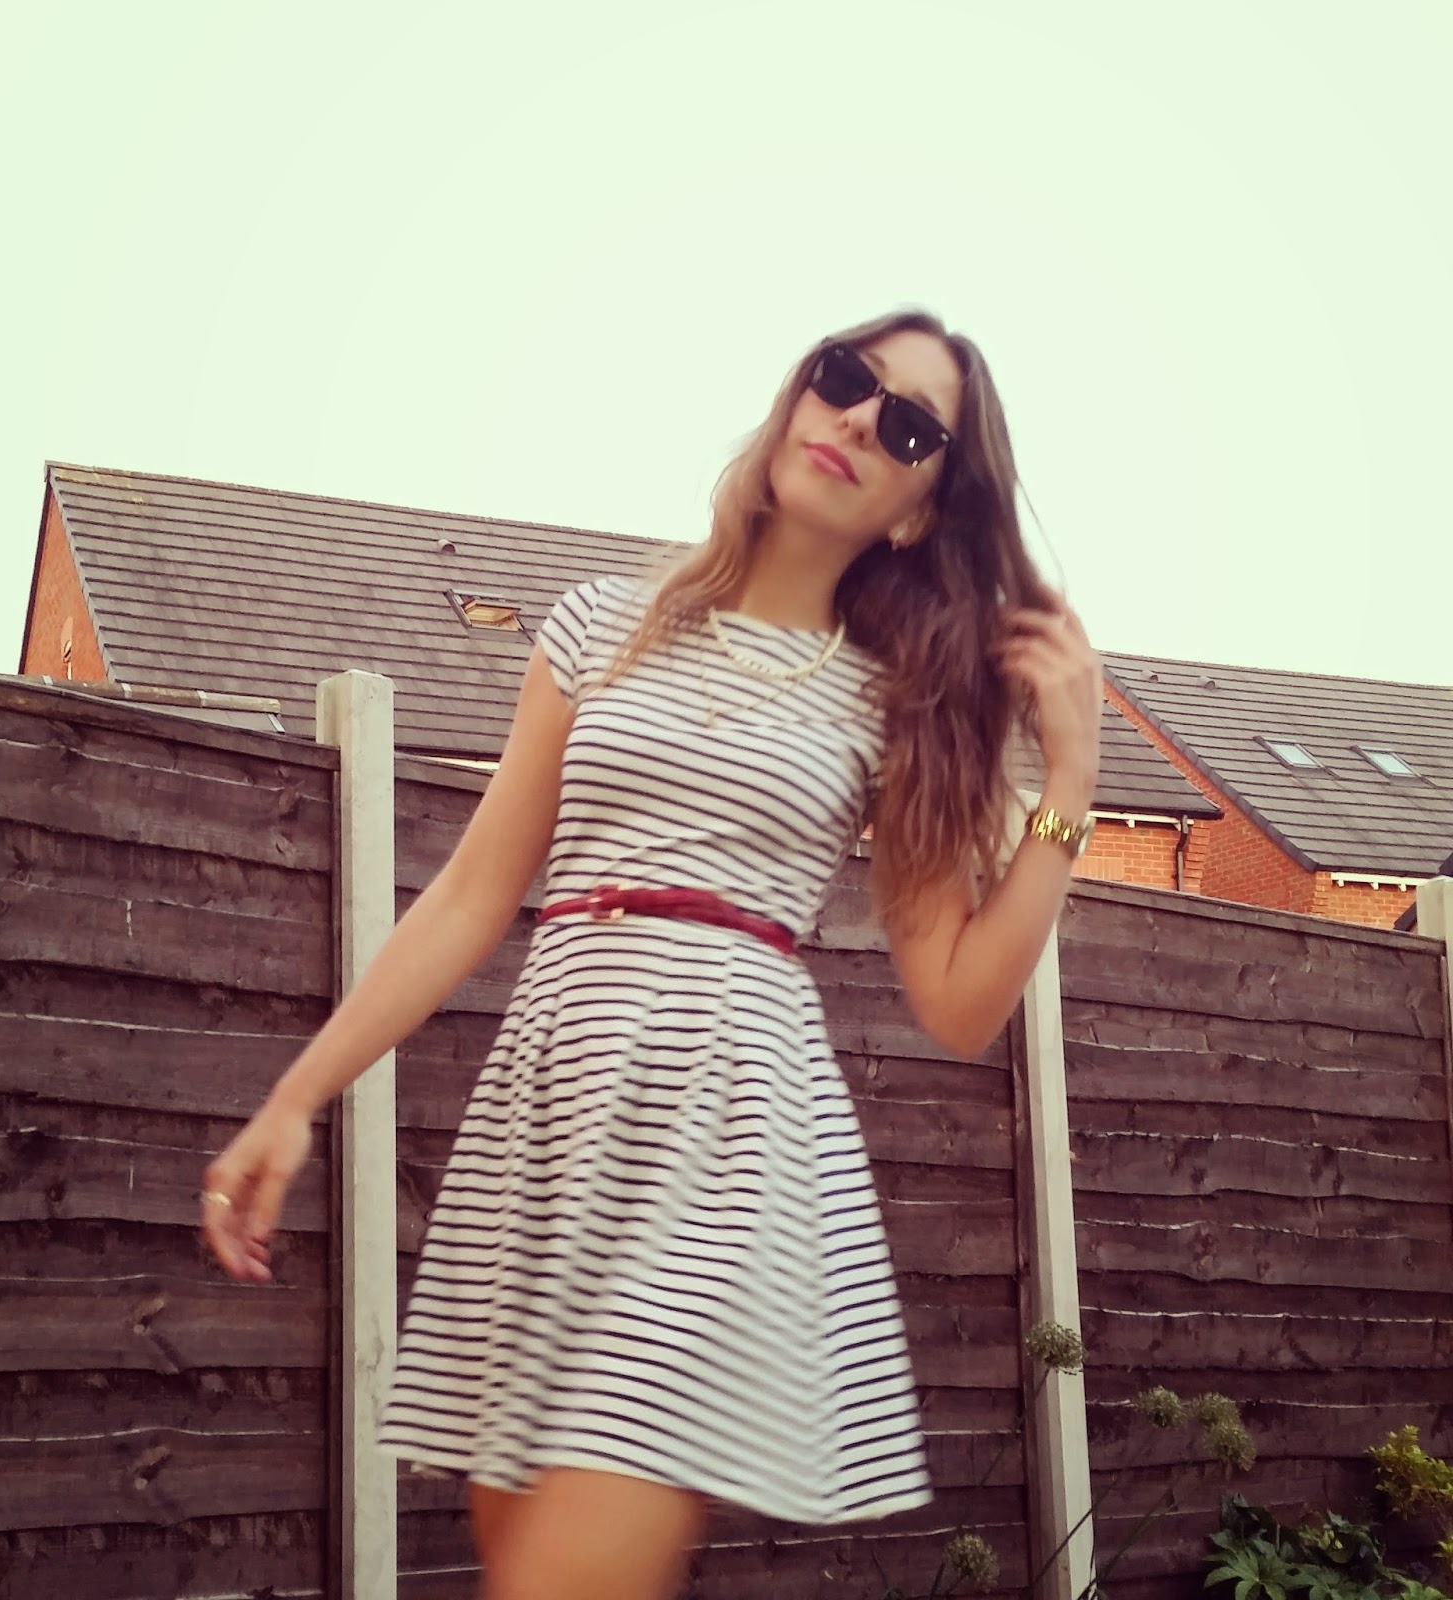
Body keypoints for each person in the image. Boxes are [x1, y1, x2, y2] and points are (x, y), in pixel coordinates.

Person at [200, 307, 1103, 1600]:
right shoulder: (599, 626)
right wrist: (297, 1097)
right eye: (846, 378)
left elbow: (959, 1003)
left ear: (917, 513)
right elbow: (470, 897)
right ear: (799, 392)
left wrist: (1068, 783)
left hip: (723, 1141)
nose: (860, 418)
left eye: (908, 426)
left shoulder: (888, 706)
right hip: (550, 1123)